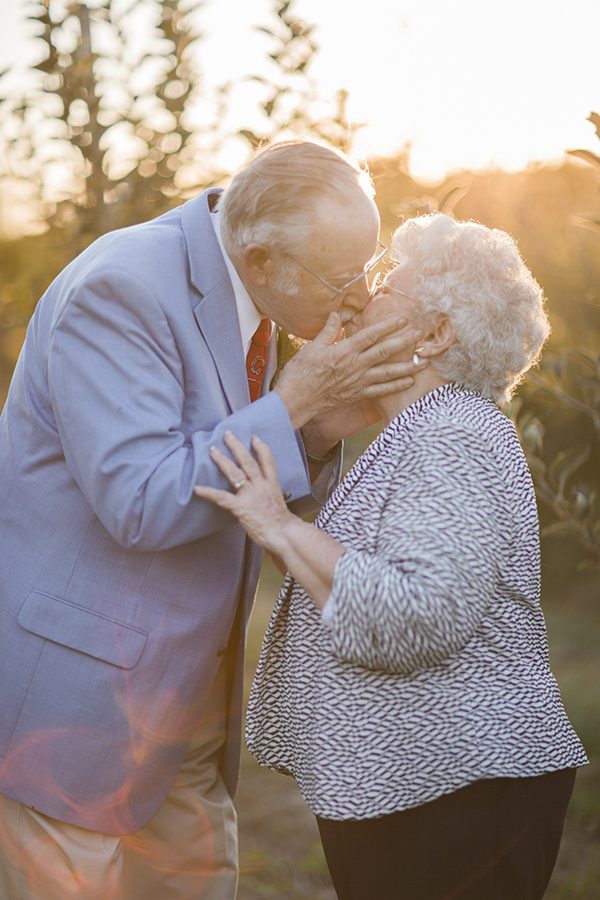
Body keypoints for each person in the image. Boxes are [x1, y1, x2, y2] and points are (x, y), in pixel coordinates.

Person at [0, 140, 424, 899]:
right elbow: (141, 500)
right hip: (83, 694)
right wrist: (293, 402)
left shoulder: (250, 288)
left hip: (184, 694)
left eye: (367, 268)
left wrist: (320, 429)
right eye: (341, 278)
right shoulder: (120, 289)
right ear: (261, 259)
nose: (358, 296)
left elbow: (227, 465)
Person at [194, 213, 589, 900]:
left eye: (383, 287)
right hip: (421, 786)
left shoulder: (454, 436)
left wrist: (277, 525)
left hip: (459, 790)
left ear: (435, 334)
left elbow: (416, 615)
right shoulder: (421, 432)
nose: (357, 297)